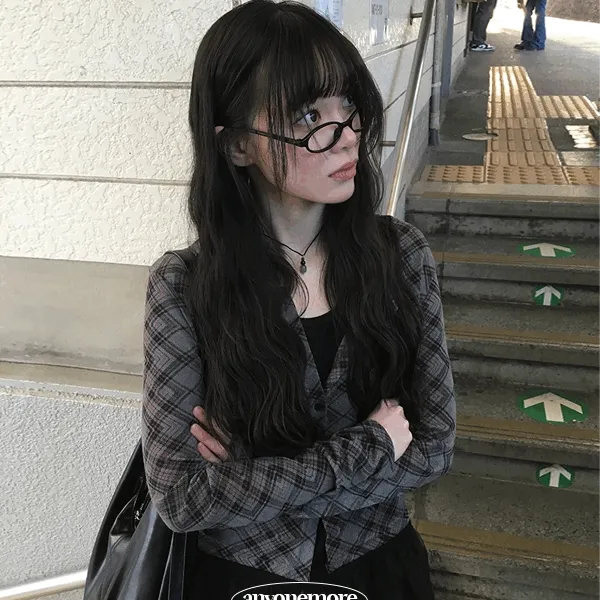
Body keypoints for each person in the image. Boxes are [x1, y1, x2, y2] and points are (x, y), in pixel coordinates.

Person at [140, 1, 456, 599]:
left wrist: (251, 478)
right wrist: (372, 446)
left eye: (348, 107)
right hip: (241, 580)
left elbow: (434, 450)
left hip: (380, 567)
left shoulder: (400, 255)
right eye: (310, 115)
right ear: (238, 145)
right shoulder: (183, 285)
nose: (346, 136)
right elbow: (182, 498)